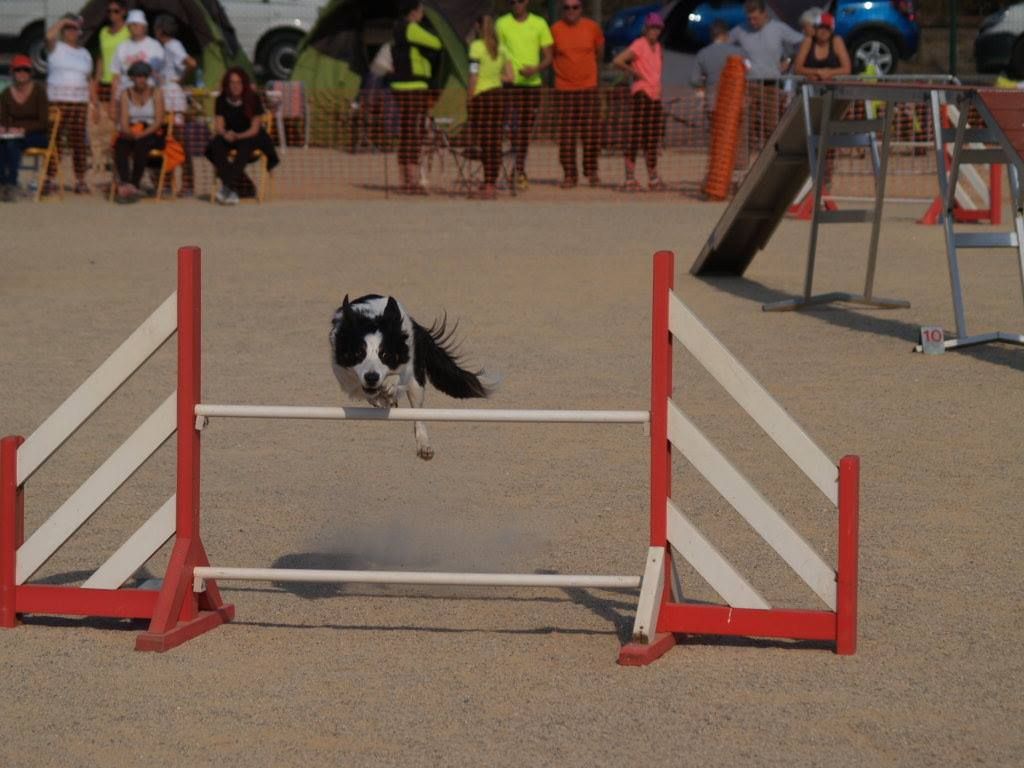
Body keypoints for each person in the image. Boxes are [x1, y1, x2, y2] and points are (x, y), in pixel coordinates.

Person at [728, 0, 803, 153]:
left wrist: (789, 60)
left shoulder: (778, 28)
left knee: (771, 124)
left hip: (772, 83)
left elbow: (801, 42)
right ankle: (744, 160)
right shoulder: (740, 30)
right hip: (748, 84)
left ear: (764, 14)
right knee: (745, 123)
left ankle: (771, 156)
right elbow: (722, 45)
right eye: (749, 18)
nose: (752, 22)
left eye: (755, 18)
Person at [496, 0, 553, 190]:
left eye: (519, 1)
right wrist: (505, 73)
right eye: (512, 2)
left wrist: (535, 69)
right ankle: (505, 170)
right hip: (510, 85)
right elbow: (496, 53)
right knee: (511, 128)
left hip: (532, 86)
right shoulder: (502, 23)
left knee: (524, 131)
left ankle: (518, 170)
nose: (516, 5)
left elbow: (549, 57)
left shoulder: (539, 23)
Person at [389, 0, 443, 194]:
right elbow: (436, 43)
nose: (422, 14)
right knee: (414, 132)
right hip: (414, 86)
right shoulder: (411, 28)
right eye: (421, 11)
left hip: (399, 86)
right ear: (413, 12)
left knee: (406, 131)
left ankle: (405, 179)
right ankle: (412, 181)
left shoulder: (396, 29)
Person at [204, 67, 278, 205]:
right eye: (232, 82)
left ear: (244, 84)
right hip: (231, 134)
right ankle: (242, 187)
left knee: (245, 145)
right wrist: (225, 134)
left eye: (238, 82)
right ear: (227, 84)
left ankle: (228, 188)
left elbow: (255, 129)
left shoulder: (253, 98)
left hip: (252, 136)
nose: (235, 86)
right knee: (214, 146)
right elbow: (219, 125)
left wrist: (238, 136)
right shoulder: (221, 99)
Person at [551, 0, 604, 188]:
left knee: (591, 133)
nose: (571, 11)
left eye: (575, 7)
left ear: (581, 8)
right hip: (564, 90)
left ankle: (591, 171)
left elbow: (600, 52)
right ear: (562, 9)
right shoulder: (555, 29)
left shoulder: (592, 27)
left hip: (588, 88)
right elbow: (551, 55)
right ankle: (569, 174)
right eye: (566, 7)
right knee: (566, 136)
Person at [613, 12, 665, 191]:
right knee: (636, 136)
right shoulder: (639, 44)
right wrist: (634, 73)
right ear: (646, 28)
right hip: (641, 94)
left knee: (651, 139)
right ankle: (630, 178)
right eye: (652, 28)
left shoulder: (658, 47)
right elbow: (618, 61)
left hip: (655, 96)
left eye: (658, 28)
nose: (655, 31)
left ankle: (653, 178)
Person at [45, 13, 95, 195]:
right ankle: (49, 178)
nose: (72, 31)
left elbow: (89, 80)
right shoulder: (55, 47)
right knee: (55, 140)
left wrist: (94, 103)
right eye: (69, 28)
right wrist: (65, 21)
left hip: (79, 102)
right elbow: (49, 36)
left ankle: (80, 180)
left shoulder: (84, 53)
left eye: (75, 28)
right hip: (57, 101)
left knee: (78, 143)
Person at [467, 15, 513, 199]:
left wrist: (469, 97)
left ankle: (488, 184)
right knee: (495, 141)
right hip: (499, 97)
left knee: (486, 142)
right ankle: (491, 181)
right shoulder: (502, 48)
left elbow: (473, 76)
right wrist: (495, 78)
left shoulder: (476, 47)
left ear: (478, 27)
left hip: (482, 98)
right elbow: (511, 77)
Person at [112, 61, 164, 202]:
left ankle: (134, 184)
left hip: (152, 130)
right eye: (138, 76)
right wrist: (130, 133)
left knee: (142, 146)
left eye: (144, 76)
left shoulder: (156, 92)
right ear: (132, 78)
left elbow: (159, 121)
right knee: (120, 146)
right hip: (131, 129)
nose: (141, 79)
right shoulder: (125, 94)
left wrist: (142, 134)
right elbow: (123, 121)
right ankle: (125, 183)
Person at [0, 54, 50, 201]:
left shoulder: (39, 92)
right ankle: (4, 182)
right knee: (5, 142)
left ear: (31, 73)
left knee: (11, 143)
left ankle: (10, 183)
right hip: (13, 135)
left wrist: (22, 129)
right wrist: (4, 128)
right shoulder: (6, 94)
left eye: (25, 70)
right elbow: (3, 119)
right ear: (12, 72)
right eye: (18, 70)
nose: (22, 73)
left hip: (37, 135)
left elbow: (43, 122)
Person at [110, 9, 165, 112]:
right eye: (131, 24)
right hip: (125, 96)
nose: (133, 27)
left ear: (144, 26)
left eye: (136, 24)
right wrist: (113, 102)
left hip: (149, 97)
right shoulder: (121, 47)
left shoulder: (155, 46)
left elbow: (161, 74)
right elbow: (116, 76)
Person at [691, 20, 746, 112]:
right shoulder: (739, 52)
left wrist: (701, 91)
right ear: (727, 34)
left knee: (713, 126)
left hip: (712, 102)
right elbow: (748, 71)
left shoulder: (703, 53)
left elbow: (694, 80)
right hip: (734, 102)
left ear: (711, 35)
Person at [154, 14, 196, 114]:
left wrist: (181, 79)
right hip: (167, 92)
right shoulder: (167, 46)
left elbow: (192, 63)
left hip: (172, 94)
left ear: (160, 30)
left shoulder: (173, 45)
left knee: (173, 126)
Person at [793, 12, 851, 80]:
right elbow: (797, 68)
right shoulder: (808, 41)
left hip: (834, 86)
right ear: (815, 29)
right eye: (821, 27)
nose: (824, 31)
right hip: (811, 86)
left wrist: (830, 72)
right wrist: (817, 72)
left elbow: (847, 69)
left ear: (831, 31)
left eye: (827, 28)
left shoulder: (837, 41)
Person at [93, 1, 131, 104]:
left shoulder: (129, 30)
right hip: (105, 82)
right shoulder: (103, 32)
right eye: (109, 11)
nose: (112, 14)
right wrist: (97, 80)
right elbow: (101, 57)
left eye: (116, 11)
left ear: (123, 12)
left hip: (123, 81)